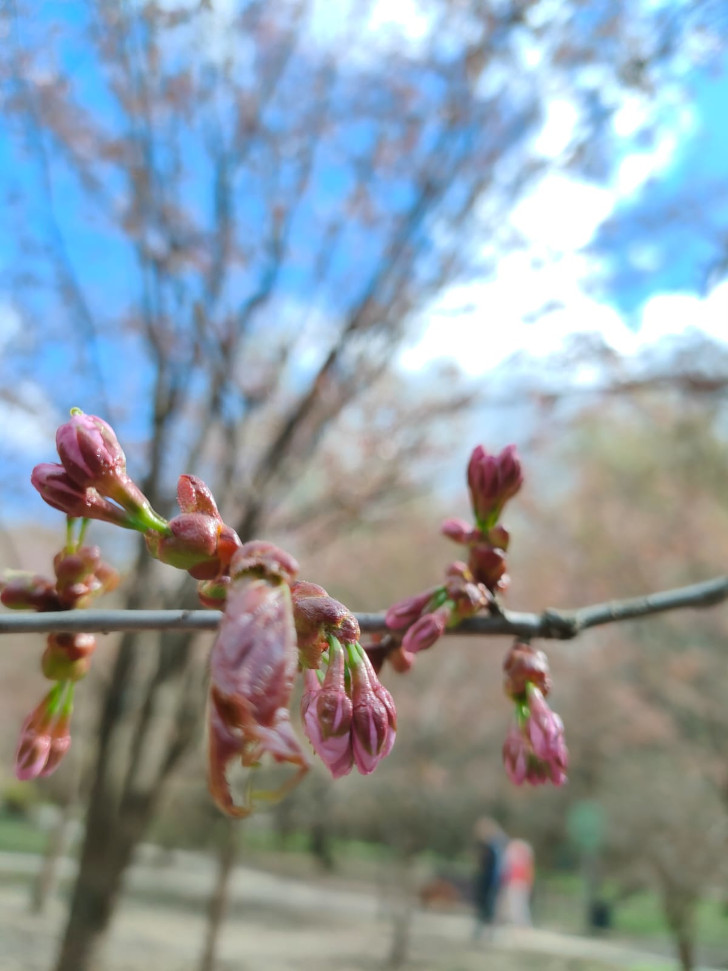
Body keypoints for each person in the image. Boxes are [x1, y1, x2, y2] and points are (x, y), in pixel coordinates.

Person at [471, 816, 507, 940]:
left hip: (491, 882)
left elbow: (495, 869)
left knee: (489, 908)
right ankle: (482, 932)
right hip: (486, 882)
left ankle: (488, 933)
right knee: (484, 908)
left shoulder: (495, 846)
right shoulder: (489, 846)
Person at [500, 837, 535, 926]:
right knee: (514, 906)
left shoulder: (518, 856)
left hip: (518, 883)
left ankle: (521, 926)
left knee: (518, 907)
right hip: (516, 883)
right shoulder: (522, 857)